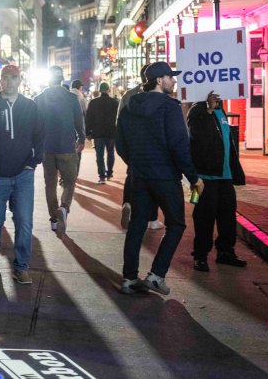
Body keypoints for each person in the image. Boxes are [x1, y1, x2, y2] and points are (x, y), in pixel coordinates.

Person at [117, 61, 204, 295]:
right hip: (165, 176)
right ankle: (156, 275)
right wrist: (193, 177)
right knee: (176, 224)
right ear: (158, 80)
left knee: (137, 226)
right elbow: (179, 145)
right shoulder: (169, 107)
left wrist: (136, 162)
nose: (174, 81)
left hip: (140, 175)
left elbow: (121, 143)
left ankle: (128, 278)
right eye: (170, 77)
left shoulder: (129, 106)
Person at [0, 65, 44, 284]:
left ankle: (21, 266)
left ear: (19, 80)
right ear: (1, 80)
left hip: (23, 175)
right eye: (6, 78)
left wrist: (34, 161)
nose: (10, 82)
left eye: (14, 78)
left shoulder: (30, 107)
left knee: (24, 221)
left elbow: (40, 136)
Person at [187, 90, 247, 272]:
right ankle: (200, 256)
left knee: (228, 216)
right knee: (203, 217)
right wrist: (208, 110)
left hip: (225, 177)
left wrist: (235, 170)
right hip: (204, 178)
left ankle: (226, 252)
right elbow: (197, 139)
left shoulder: (221, 112)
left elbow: (227, 143)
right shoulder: (196, 111)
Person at [34, 66, 85, 238]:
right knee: (69, 181)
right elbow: (79, 120)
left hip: (46, 148)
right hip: (66, 147)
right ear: (62, 79)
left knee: (50, 183)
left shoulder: (39, 99)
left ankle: (54, 219)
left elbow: (35, 125)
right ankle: (64, 207)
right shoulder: (71, 98)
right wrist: (82, 138)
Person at [118, 64, 164, 231]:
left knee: (132, 176)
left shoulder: (129, 95)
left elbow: (120, 123)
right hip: (153, 148)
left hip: (133, 146)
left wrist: (124, 151)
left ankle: (128, 203)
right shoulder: (158, 97)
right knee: (153, 183)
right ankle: (151, 218)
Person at [85, 82, 119, 184]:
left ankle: (102, 175)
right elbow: (118, 118)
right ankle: (109, 173)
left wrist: (88, 132)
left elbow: (88, 118)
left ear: (99, 90)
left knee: (99, 155)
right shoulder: (114, 102)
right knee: (111, 153)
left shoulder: (93, 102)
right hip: (111, 132)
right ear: (108, 90)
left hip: (98, 132)